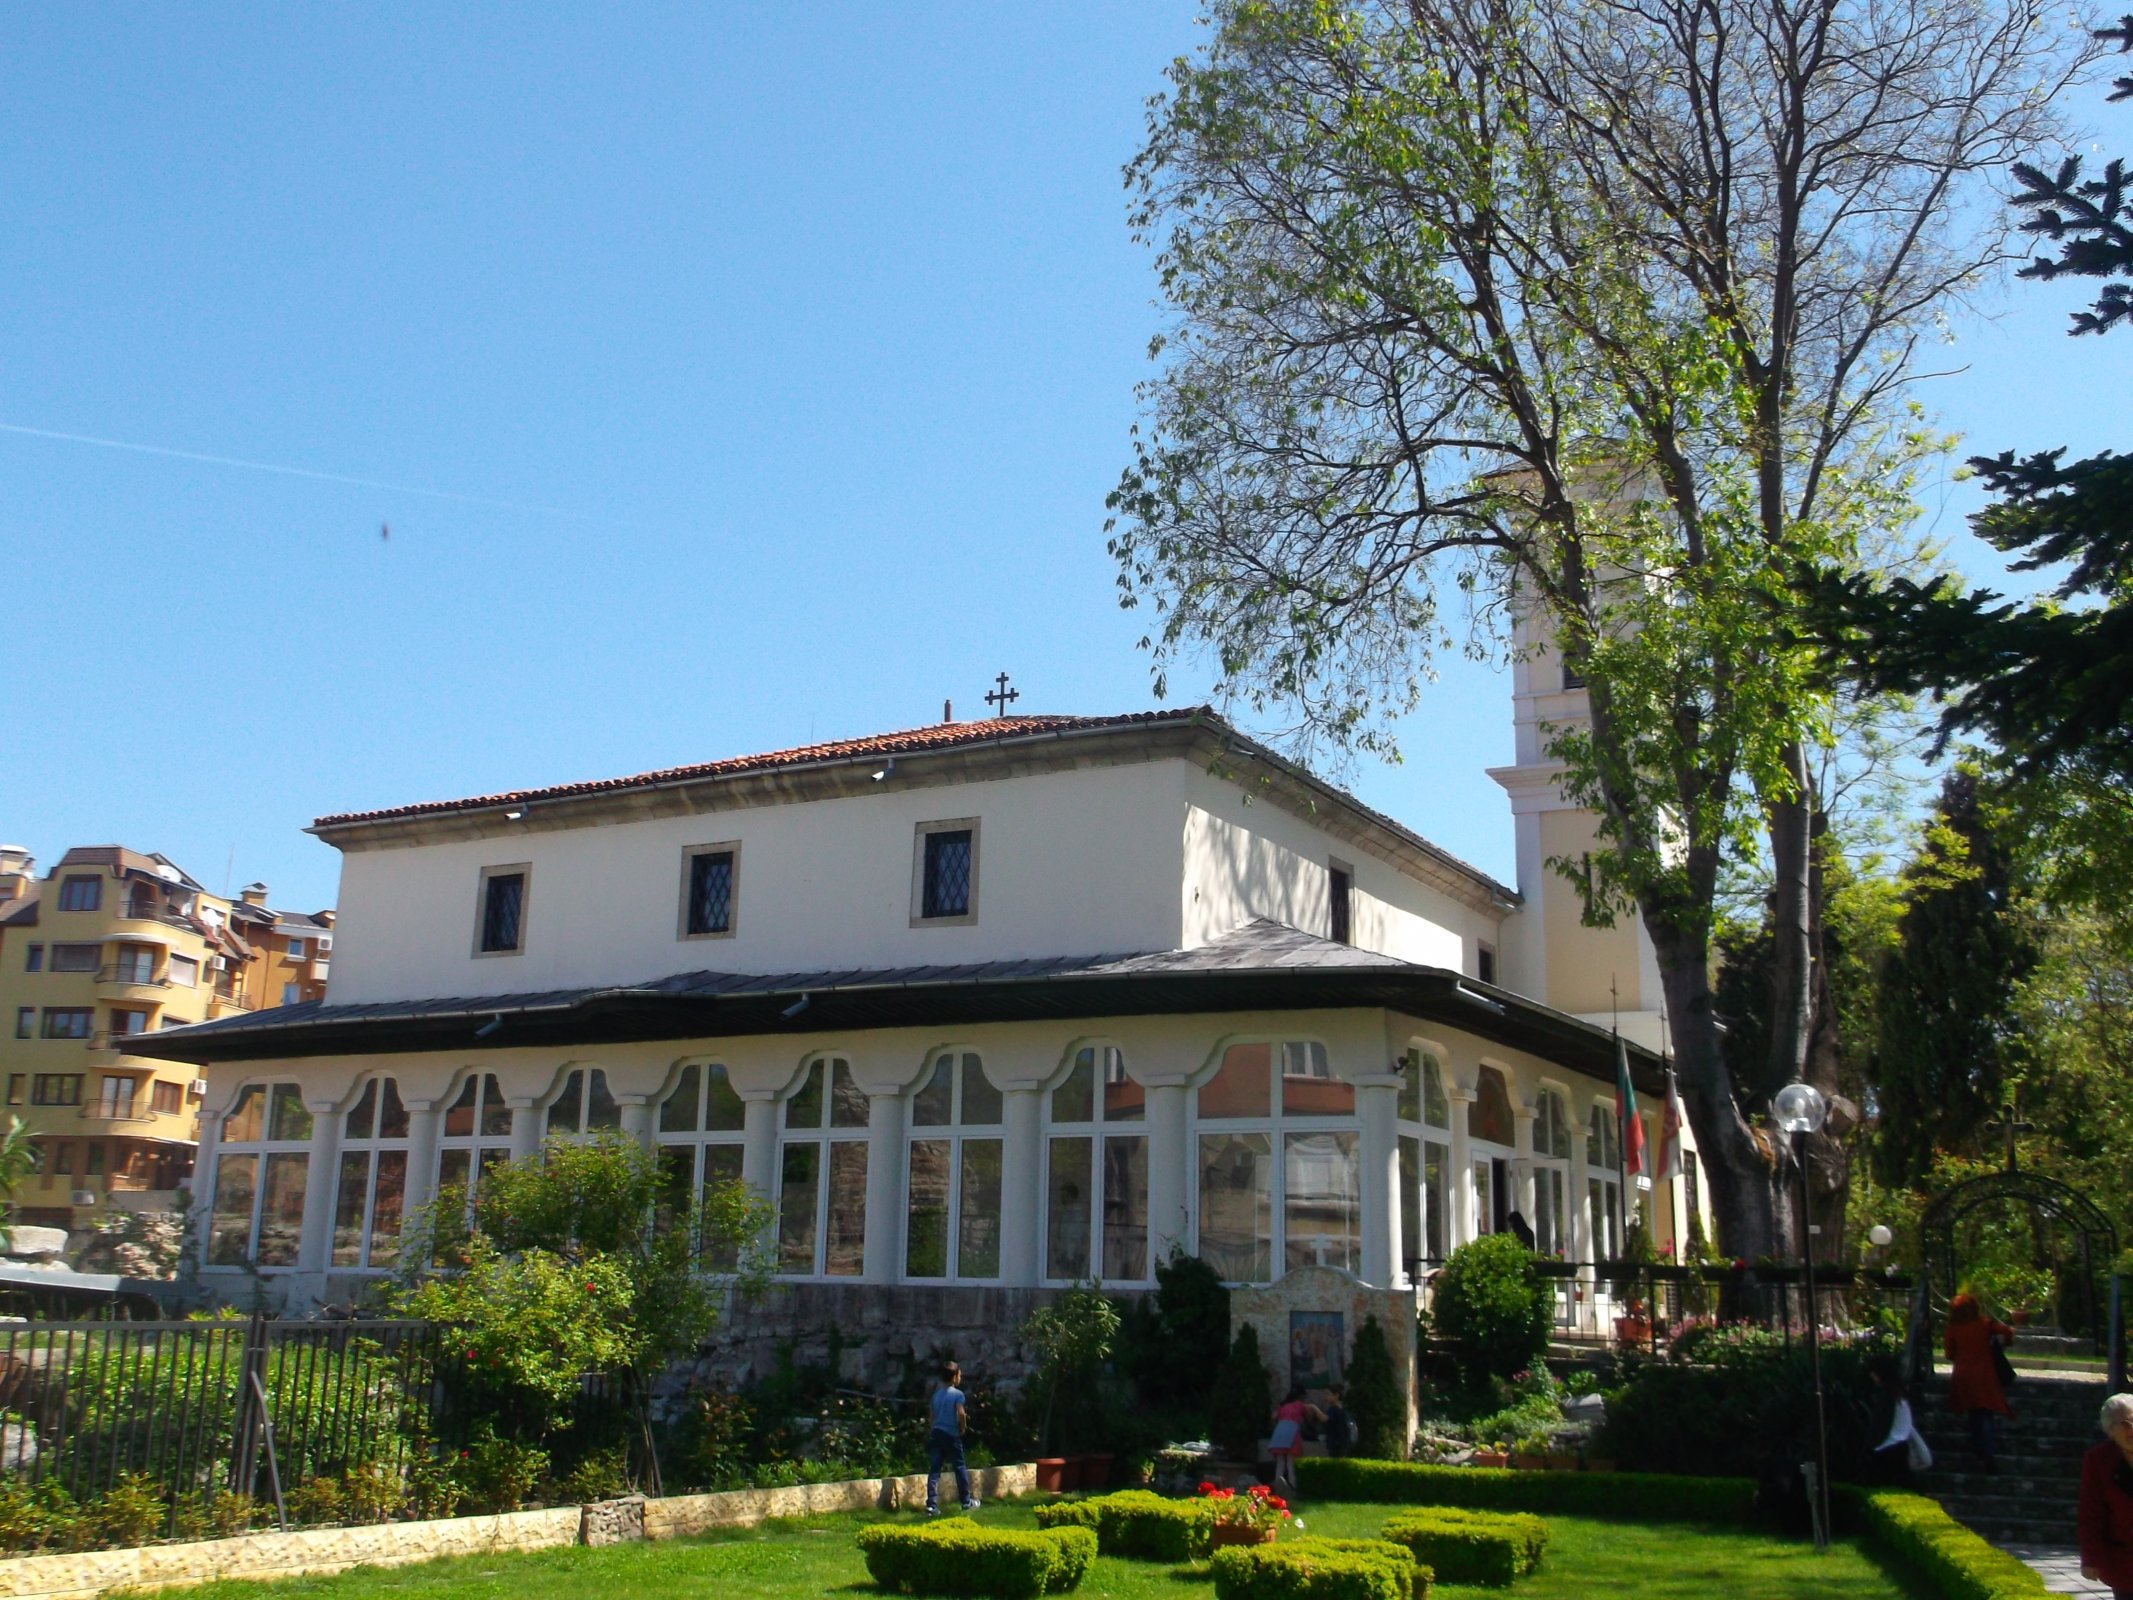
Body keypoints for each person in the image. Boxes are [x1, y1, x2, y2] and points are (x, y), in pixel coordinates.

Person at [1943, 1292, 2015, 1473]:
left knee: (1973, 1412)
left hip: (1963, 1375)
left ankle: (1979, 1450)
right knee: (1986, 1413)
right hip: (1984, 1375)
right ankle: (1988, 1453)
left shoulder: (1953, 1328)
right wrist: (2005, 1344)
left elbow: (1949, 1354)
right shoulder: (1985, 1325)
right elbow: (2007, 1331)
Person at [2078, 1392, 2133, 1599]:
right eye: (2125, 1424)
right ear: (2110, 1430)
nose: (2132, 1429)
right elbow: (2090, 1513)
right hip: (2124, 1561)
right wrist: (2090, 1558)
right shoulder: (2099, 1460)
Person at [924, 1361, 979, 1516]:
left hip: (936, 1433)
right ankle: (966, 1501)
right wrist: (963, 1426)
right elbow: (961, 1413)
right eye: (959, 1375)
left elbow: (931, 1417)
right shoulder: (958, 1394)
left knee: (935, 1469)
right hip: (951, 1434)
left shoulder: (936, 1396)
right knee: (959, 1466)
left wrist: (933, 1430)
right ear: (955, 1377)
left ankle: (931, 1505)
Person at [1866, 1355, 1927, 1485]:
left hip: (1887, 1447)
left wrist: (1871, 1444)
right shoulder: (1900, 1395)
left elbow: (1881, 1424)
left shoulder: (1887, 1396)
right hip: (1900, 1445)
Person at [1267, 1385, 1321, 1495]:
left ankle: (1277, 1487)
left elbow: (1273, 1416)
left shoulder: (1283, 1406)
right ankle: (1292, 1488)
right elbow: (1309, 1413)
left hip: (1279, 1432)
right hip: (1292, 1432)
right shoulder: (1300, 1405)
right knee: (1290, 1464)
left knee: (1280, 1463)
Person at [1322, 1385, 1354, 1459]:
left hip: (1336, 1442)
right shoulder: (1343, 1408)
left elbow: (1324, 1418)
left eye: (1328, 1394)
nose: (1326, 1397)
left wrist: (1313, 1408)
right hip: (1343, 1441)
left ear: (1336, 1395)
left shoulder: (1334, 1409)